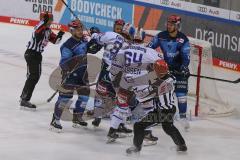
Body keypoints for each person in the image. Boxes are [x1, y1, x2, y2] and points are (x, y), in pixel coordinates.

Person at [109, 30, 187, 153]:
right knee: (168, 127)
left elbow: (146, 92)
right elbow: (166, 76)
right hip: (170, 109)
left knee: (138, 126)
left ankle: (136, 148)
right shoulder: (170, 78)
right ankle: (182, 145)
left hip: (162, 111)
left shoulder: (157, 82)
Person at [147, 15, 191, 130]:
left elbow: (186, 57)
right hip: (165, 70)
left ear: (177, 25)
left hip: (179, 71)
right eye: (168, 23)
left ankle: (182, 117)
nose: (168, 25)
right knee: (161, 93)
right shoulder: (161, 36)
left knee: (181, 95)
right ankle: (158, 115)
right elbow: (149, 48)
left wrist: (184, 67)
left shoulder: (183, 39)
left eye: (171, 24)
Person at [90, 20, 132, 134]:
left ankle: (99, 116)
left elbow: (96, 37)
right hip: (118, 75)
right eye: (117, 26)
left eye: (120, 27)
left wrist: (93, 33)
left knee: (101, 93)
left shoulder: (110, 34)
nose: (118, 28)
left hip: (107, 71)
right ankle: (118, 123)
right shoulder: (129, 43)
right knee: (119, 99)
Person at [50, 19, 90, 131]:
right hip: (70, 76)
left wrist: (95, 39)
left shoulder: (84, 40)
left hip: (83, 75)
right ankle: (55, 119)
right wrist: (70, 68)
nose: (80, 31)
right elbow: (63, 63)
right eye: (77, 29)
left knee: (84, 97)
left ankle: (77, 117)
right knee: (64, 98)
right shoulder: (67, 45)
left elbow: (92, 49)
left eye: (81, 28)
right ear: (71, 31)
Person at [20, 11, 64, 109]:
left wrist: (60, 35)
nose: (52, 21)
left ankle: (24, 98)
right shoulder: (40, 27)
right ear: (45, 19)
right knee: (33, 76)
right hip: (31, 54)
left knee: (35, 76)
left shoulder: (48, 30)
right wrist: (44, 20)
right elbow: (37, 33)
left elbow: (55, 41)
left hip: (37, 55)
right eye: (50, 19)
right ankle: (24, 99)